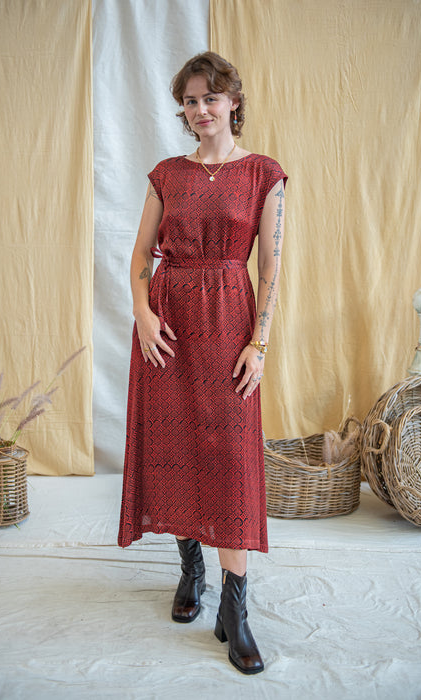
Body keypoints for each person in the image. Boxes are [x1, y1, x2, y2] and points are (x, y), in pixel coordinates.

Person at [118, 51, 287, 675]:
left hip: (230, 324)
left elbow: (271, 268)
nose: (200, 110)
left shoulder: (263, 173)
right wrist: (142, 313)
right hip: (168, 328)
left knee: (230, 460)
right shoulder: (166, 174)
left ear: (232, 102)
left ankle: (234, 610)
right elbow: (141, 254)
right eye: (189, 101)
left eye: (210, 98)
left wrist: (258, 344)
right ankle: (191, 570)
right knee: (178, 449)